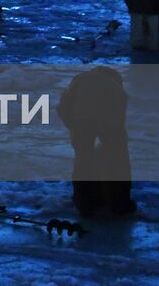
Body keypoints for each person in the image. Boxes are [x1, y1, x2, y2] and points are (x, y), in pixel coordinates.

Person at [57, 66, 135, 217]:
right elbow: (119, 124)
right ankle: (119, 203)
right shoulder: (118, 90)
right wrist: (111, 145)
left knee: (83, 159)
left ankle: (84, 204)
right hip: (109, 120)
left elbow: (62, 107)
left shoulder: (81, 78)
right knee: (118, 159)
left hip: (81, 120)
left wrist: (73, 126)